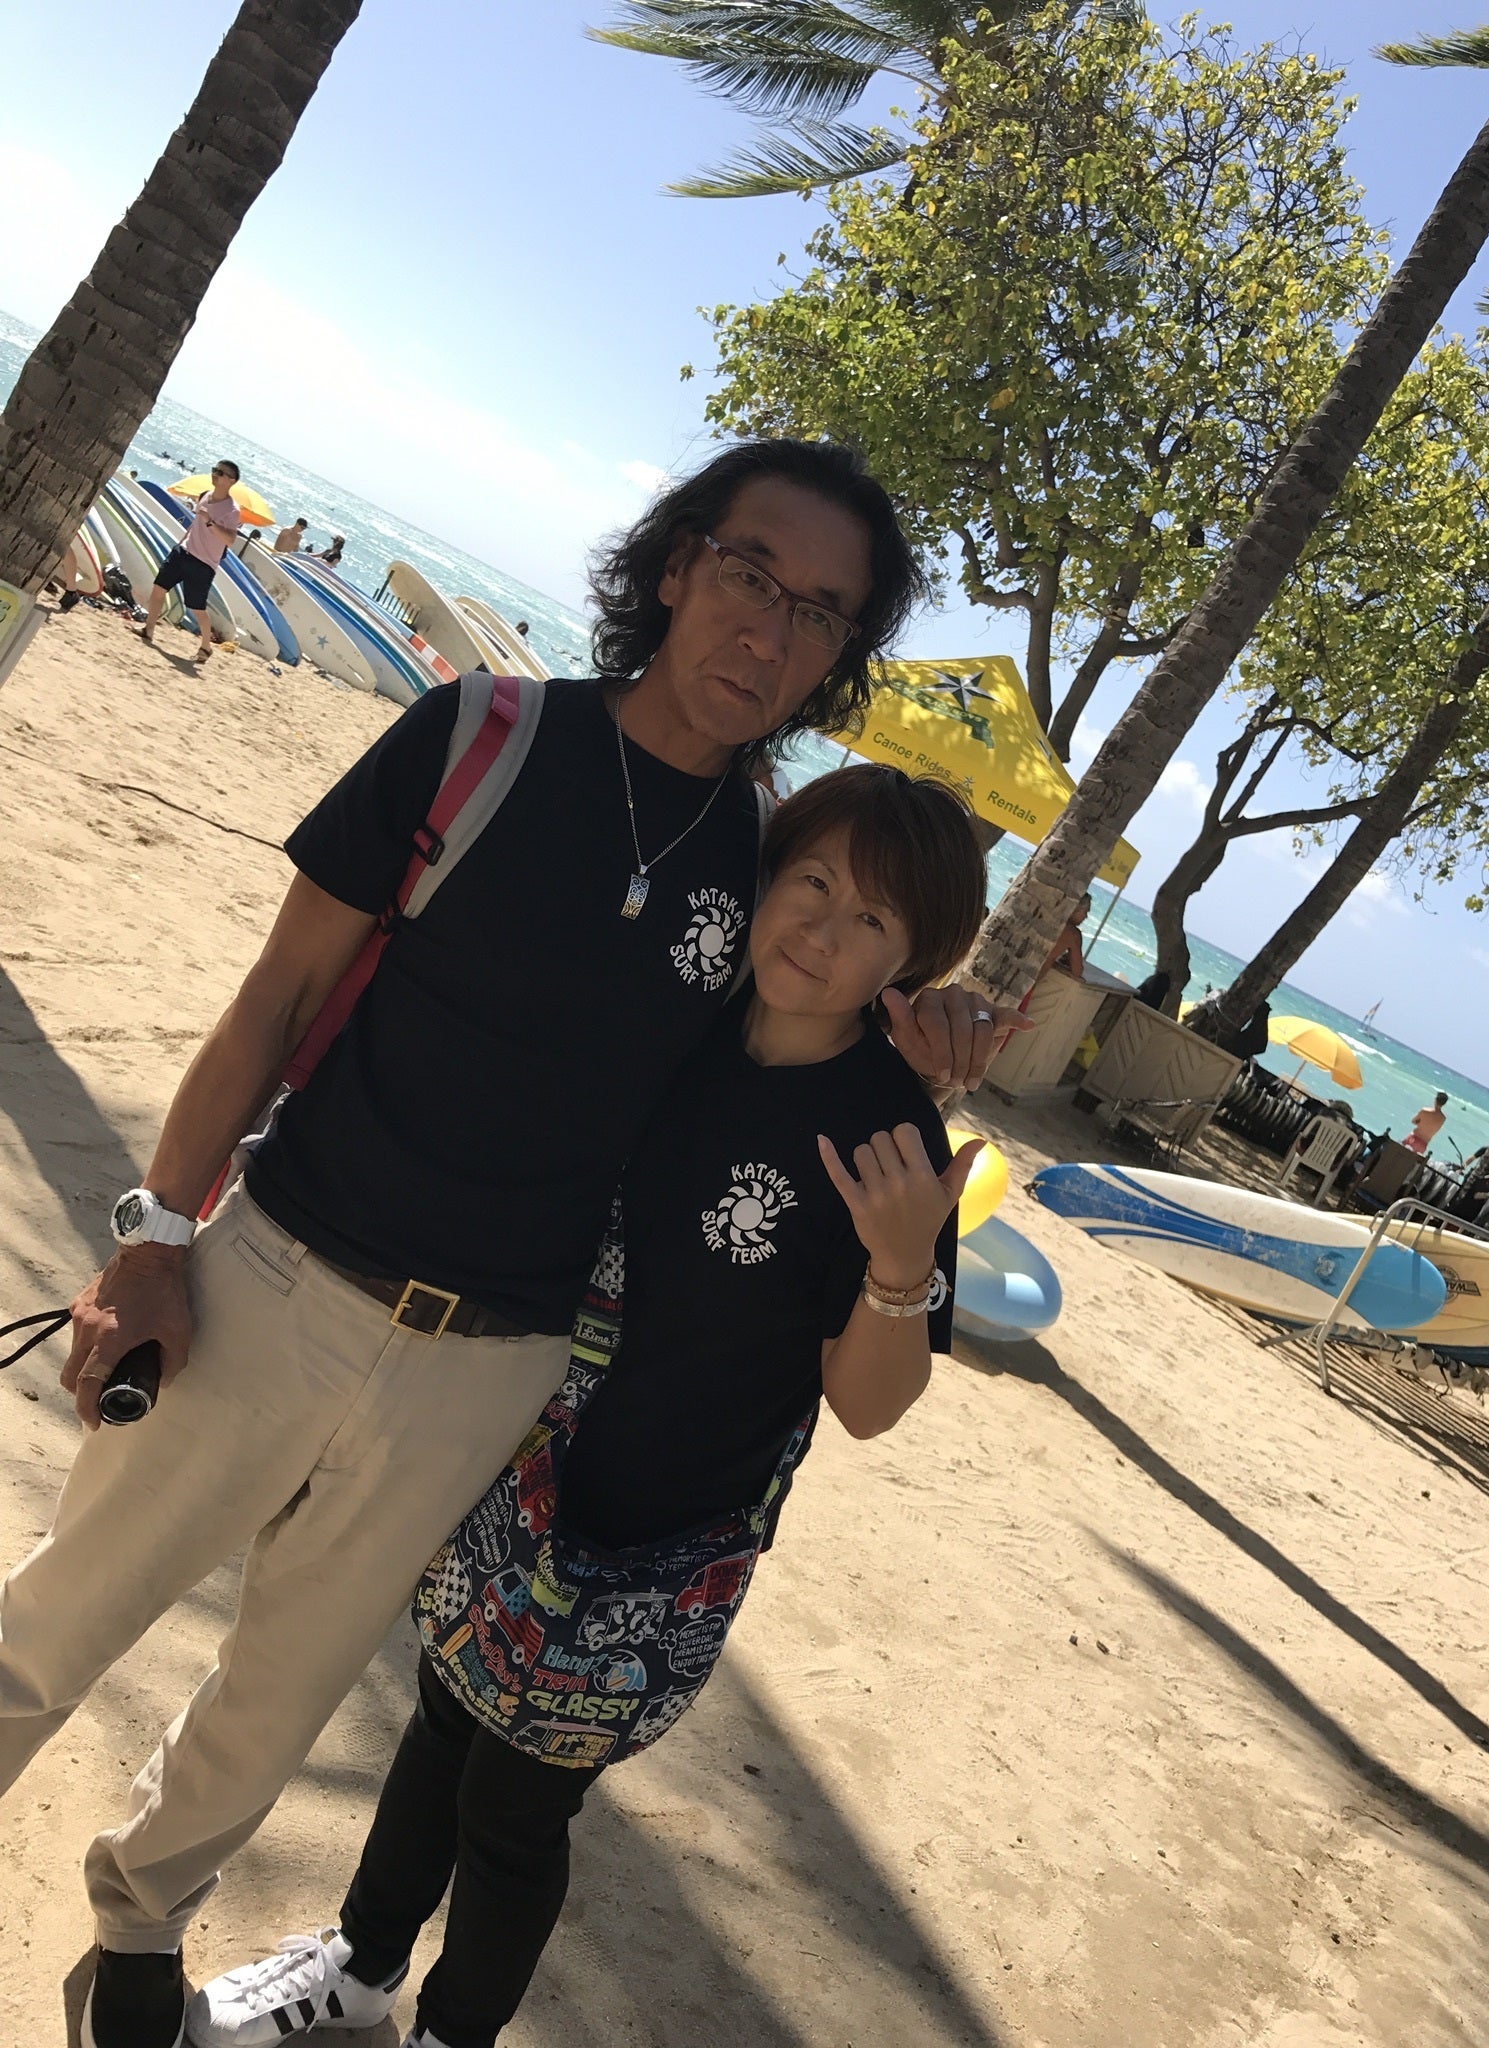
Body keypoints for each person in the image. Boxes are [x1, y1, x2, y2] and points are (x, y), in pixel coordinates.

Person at [0, 439, 1014, 2048]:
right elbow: (275, 995)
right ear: (676, 566)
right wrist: (157, 1233)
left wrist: (936, 1033)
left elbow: (839, 994)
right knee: (56, 1624)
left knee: (277, 1702)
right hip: (279, 1276)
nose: (771, 628)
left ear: (836, 656)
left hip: (490, 1377)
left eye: (821, 613)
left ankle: (138, 1929)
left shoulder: (762, 862)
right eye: (750, 573)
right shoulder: (482, 737)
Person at [188, 764, 987, 2048]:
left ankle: (452, 2031)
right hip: (519, 1456)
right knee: (443, 1714)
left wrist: (899, 1268)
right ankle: (359, 1964)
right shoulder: (685, 1018)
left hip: (664, 1535)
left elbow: (869, 1404)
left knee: (517, 1807)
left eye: (874, 919)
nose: (824, 930)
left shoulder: (888, 1134)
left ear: (912, 959)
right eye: (813, 880)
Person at [128, 460, 242, 663]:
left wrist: (210, 521)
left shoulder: (232, 510)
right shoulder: (206, 496)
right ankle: (149, 629)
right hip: (183, 551)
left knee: (197, 607)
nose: (215, 474)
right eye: (214, 470)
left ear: (231, 481)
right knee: (158, 588)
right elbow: (196, 525)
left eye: (221, 473)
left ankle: (206, 647)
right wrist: (181, 543)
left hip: (203, 564)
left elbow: (230, 540)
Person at [1041, 892, 1093, 980]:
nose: (1086, 917)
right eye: (1085, 912)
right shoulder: (1072, 934)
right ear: (1076, 909)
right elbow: (1077, 971)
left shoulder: (1043, 915)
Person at [1403, 1090, 1449, 1155]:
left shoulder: (1425, 1111)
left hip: (1414, 1138)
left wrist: (1420, 1122)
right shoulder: (1443, 1119)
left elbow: (1413, 1121)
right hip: (1423, 1144)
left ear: (1435, 1099)